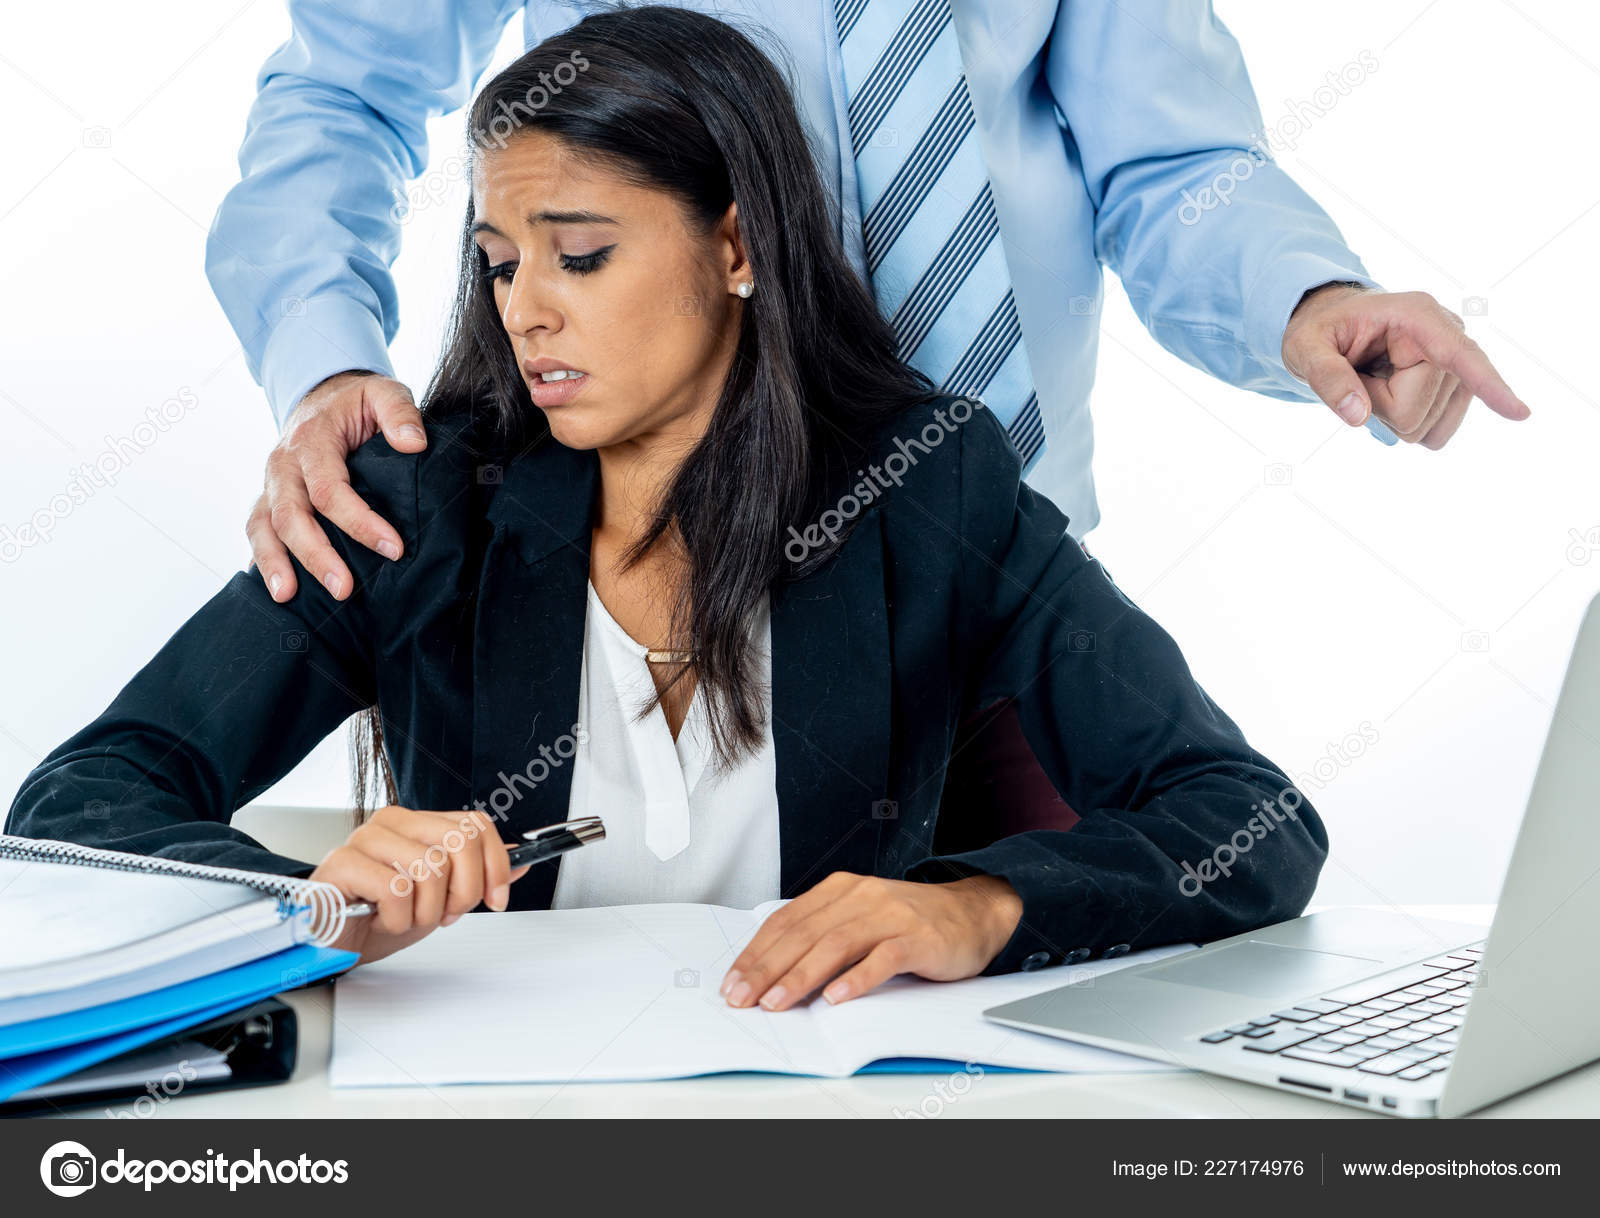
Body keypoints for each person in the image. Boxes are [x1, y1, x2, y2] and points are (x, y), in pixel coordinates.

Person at [9, 9, 1324, 1011]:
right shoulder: (418, 503)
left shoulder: (932, 490)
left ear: (736, 247)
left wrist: (976, 908)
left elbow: (1248, 821)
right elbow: (77, 804)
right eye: (499, 264)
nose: (525, 310)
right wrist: (302, 907)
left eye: (581, 256)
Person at [211, 0, 1528, 609]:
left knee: (1046, 987)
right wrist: (327, 359)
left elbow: (1171, 157)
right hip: (668, 571)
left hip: (1004, 570)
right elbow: (347, 95)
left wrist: (1305, 297)